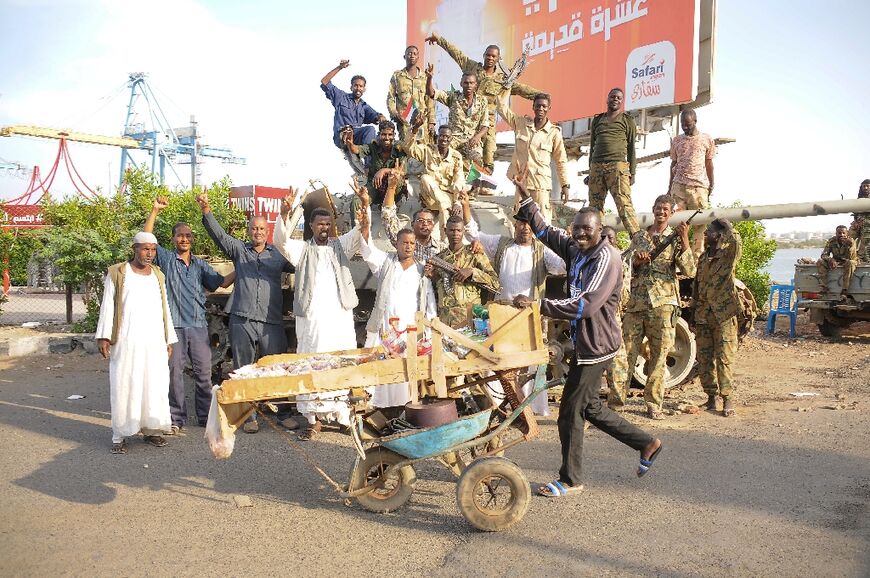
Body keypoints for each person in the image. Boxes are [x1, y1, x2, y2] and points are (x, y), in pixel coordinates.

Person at [512, 180, 662, 497]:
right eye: (576, 229)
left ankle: (570, 479)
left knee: (569, 411)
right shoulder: (575, 248)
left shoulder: (606, 259)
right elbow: (545, 232)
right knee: (590, 407)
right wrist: (527, 200)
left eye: (586, 231)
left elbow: (586, 304)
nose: (579, 235)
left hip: (596, 346)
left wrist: (539, 305)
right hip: (584, 343)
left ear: (598, 230)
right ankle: (646, 443)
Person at [460, 189, 565, 415]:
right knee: (499, 359)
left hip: (529, 314)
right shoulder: (501, 244)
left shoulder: (542, 251)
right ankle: (499, 404)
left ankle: (533, 406)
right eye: (521, 223)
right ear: (514, 224)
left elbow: (562, 265)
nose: (525, 227)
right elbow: (473, 235)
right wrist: (466, 207)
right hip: (502, 313)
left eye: (529, 224)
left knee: (531, 360)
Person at [272, 186, 364, 440]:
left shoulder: (341, 246)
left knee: (340, 361)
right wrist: (284, 213)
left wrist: (364, 205)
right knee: (311, 361)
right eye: (320, 224)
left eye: (328, 224)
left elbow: (358, 233)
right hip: (312, 319)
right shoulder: (301, 249)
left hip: (339, 317)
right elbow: (279, 241)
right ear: (311, 226)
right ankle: (314, 419)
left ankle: (343, 415)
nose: (324, 227)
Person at [197, 192, 292, 433]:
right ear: (249, 231)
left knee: (276, 367)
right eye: (254, 229)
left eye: (261, 229)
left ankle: (283, 410)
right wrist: (207, 211)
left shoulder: (279, 255)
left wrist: (285, 215)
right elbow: (220, 237)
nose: (258, 232)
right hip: (242, 318)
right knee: (244, 367)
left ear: (267, 232)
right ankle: (248, 415)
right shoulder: (240, 251)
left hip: (271, 320)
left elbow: (301, 260)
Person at [144, 198, 235, 433]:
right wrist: (154, 211)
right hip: (174, 327)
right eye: (180, 236)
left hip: (198, 327)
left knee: (204, 374)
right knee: (175, 374)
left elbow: (220, 283)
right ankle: (176, 418)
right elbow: (147, 239)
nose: (184, 239)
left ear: (192, 239)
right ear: (174, 239)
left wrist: (241, 267)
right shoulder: (166, 260)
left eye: (188, 236)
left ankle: (204, 417)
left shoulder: (199, 265)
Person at [96, 232, 177, 455]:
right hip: (126, 341)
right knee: (124, 384)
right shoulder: (118, 272)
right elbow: (108, 306)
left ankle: (153, 430)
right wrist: (104, 336)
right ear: (134, 249)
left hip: (153, 342)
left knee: (154, 384)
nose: (149, 254)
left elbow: (164, 308)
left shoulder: (157, 275)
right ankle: (119, 434)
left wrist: (168, 338)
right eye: (145, 249)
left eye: (153, 249)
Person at [359, 195, 437, 411]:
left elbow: (429, 305)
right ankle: (378, 410)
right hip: (385, 329)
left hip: (409, 334)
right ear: (397, 244)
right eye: (405, 243)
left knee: (404, 377)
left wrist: (427, 334)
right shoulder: (385, 263)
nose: (409, 246)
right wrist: (365, 219)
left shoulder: (422, 272)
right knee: (380, 374)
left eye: (412, 243)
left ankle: (402, 411)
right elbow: (367, 248)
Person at [623, 195, 695, 420]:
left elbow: (689, 270)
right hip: (637, 304)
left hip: (663, 304)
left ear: (671, 213)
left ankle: (653, 404)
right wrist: (637, 261)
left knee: (658, 355)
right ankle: (616, 401)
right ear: (653, 210)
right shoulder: (640, 237)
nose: (661, 212)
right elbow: (625, 265)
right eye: (658, 208)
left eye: (665, 209)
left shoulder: (674, 239)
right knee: (625, 353)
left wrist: (684, 240)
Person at [425, 33, 540, 172]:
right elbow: (456, 53)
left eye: (493, 56)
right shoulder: (472, 67)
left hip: (487, 118)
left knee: (489, 147)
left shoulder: (503, 79)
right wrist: (439, 40)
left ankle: (486, 176)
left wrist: (540, 95)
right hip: (466, 117)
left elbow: (522, 89)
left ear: (498, 59)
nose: (490, 58)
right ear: (484, 55)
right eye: (488, 55)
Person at [693, 219, 743, 417]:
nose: (705, 235)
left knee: (725, 358)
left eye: (709, 232)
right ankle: (711, 398)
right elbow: (697, 286)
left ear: (718, 236)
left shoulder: (727, 256)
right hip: (704, 314)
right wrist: (693, 314)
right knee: (704, 359)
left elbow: (737, 244)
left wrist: (729, 228)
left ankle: (727, 398)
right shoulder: (703, 258)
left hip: (724, 315)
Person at [497, 89, 570, 220]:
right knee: (519, 222)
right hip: (521, 183)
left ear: (549, 108)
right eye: (538, 106)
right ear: (533, 107)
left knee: (541, 222)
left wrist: (565, 185)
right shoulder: (521, 124)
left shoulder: (554, 133)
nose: (540, 109)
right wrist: (507, 87)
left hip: (540, 186)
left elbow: (561, 161)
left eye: (544, 106)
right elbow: (501, 108)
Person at [425, 215, 500, 329]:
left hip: (470, 320)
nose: (455, 234)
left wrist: (473, 272)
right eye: (451, 230)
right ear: (445, 231)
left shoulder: (474, 254)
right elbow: (435, 292)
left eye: (459, 230)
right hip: (446, 321)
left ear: (463, 231)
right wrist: (433, 277)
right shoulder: (439, 259)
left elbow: (495, 283)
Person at [587, 88, 640, 235]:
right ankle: (597, 240)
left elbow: (631, 148)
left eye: (618, 98)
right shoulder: (598, 120)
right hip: (596, 166)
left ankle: (639, 240)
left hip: (618, 166)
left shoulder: (627, 120)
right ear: (607, 99)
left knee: (624, 205)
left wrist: (632, 172)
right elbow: (592, 146)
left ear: (622, 101)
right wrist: (589, 171)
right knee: (595, 208)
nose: (615, 99)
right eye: (612, 97)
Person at [401, 114, 465, 232]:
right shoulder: (427, 150)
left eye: (447, 137)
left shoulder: (456, 157)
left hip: (448, 197)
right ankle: (444, 204)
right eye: (441, 136)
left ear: (451, 139)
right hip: (430, 198)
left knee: (445, 209)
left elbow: (459, 180)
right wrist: (415, 128)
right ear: (437, 137)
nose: (444, 139)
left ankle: (443, 241)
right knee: (425, 177)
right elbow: (407, 147)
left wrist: (457, 203)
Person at [668, 108, 716, 258]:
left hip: (698, 188)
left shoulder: (706, 139)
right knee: (677, 223)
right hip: (678, 187)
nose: (685, 127)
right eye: (683, 124)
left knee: (700, 226)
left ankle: (697, 261)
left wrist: (711, 183)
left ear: (695, 121)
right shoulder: (677, 140)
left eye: (688, 124)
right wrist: (669, 187)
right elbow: (673, 165)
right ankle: (677, 259)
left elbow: (709, 163)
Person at [425, 65, 490, 169]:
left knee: (476, 161)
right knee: (440, 157)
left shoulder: (482, 101)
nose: (468, 85)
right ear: (461, 84)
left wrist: (477, 137)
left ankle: (474, 184)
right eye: (466, 83)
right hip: (453, 138)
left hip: (471, 139)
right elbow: (431, 93)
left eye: (471, 83)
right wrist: (429, 78)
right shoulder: (453, 97)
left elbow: (485, 125)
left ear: (475, 85)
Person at [381, 171, 446, 262]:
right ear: (412, 224)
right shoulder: (403, 243)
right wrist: (391, 187)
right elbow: (387, 216)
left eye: (429, 221)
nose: (425, 224)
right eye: (420, 220)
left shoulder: (442, 249)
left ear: (433, 226)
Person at [320, 59, 385, 148]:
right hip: (342, 135)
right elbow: (325, 81)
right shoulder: (341, 97)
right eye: (356, 85)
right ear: (351, 87)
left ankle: (368, 160)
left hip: (356, 136)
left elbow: (376, 115)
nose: (358, 88)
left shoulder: (364, 106)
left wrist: (381, 118)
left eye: (361, 86)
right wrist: (340, 67)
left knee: (372, 132)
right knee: (349, 132)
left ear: (364, 89)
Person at [601, 226, 632, 411]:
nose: (606, 241)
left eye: (610, 238)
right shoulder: (591, 260)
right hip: (594, 319)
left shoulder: (621, 263)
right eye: (603, 237)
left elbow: (625, 295)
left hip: (614, 317)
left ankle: (616, 403)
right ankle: (591, 404)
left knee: (618, 361)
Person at [344, 120, 408, 206]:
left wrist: (384, 171)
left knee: (395, 177)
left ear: (394, 135)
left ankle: (390, 205)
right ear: (379, 134)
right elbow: (356, 149)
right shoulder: (373, 146)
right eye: (384, 134)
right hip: (374, 185)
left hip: (394, 188)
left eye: (390, 135)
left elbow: (402, 171)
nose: (387, 138)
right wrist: (350, 144)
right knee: (357, 201)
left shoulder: (399, 148)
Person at [387, 45, 435, 143]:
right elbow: (390, 97)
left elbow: (430, 100)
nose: (412, 56)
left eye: (414, 54)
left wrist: (432, 122)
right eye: (409, 53)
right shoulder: (397, 76)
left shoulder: (425, 77)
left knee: (422, 151)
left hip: (422, 120)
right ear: (404, 57)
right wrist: (394, 114)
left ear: (418, 57)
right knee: (407, 150)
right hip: (405, 121)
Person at [817, 225, 858, 299]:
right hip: (836, 260)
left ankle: (844, 290)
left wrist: (849, 245)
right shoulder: (831, 241)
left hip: (848, 261)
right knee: (820, 261)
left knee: (851, 263)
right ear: (836, 233)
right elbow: (824, 254)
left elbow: (852, 257)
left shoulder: (851, 241)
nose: (841, 235)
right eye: (839, 233)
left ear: (847, 233)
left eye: (843, 233)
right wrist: (830, 259)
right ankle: (824, 287)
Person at [849, 179, 870, 262]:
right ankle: (850, 255)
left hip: (868, 224)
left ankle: (862, 257)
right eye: (864, 186)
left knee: (865, 239)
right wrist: (856, 222)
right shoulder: (859, 199)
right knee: (848, 238)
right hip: (858, 223)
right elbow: (856, 213)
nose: (865, 188)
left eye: (867, 186)